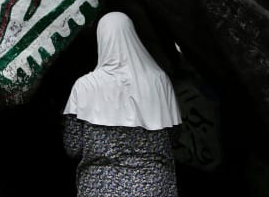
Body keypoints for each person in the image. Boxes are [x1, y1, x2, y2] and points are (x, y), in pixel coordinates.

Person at [63, 11, 182, 197]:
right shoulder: (159, 81)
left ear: (101, 40)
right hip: (154, 187)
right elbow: (174, 136)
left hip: (101, 188)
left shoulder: (84, 86)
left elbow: (73, 148)